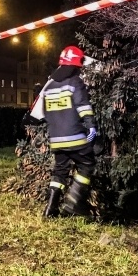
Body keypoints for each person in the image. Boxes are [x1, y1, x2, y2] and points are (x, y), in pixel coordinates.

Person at [41, 45, 97, 218]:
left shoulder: (49, 86)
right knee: (87, 165)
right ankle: (72, 203)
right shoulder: (75, 82)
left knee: (59, 171)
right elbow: (83, 106)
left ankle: (50, 210)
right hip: (75, 137)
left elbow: (45, 113)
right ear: (75, 65)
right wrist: (91, 126)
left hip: (56, 140)